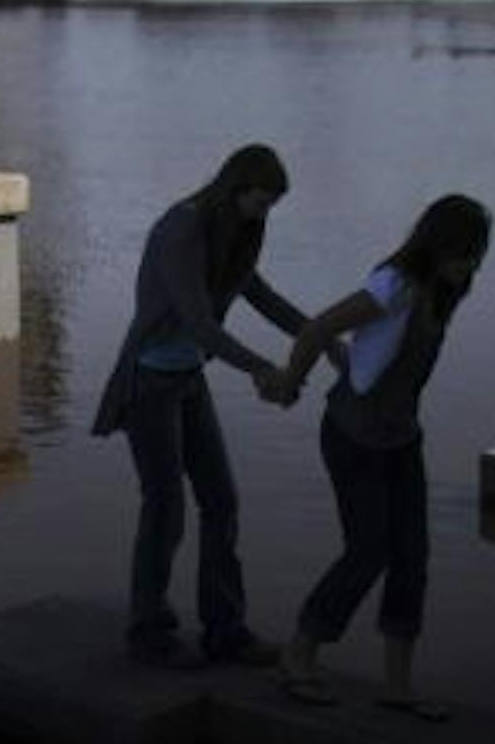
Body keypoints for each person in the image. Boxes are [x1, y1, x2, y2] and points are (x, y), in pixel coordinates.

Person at [270, 194, 492, 720]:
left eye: (477, 254)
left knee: (412, 556)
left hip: (400, 437)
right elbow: (318, 327)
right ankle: (298, 653)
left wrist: (354, 361)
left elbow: (378, 353)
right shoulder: (395, 284)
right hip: (352, 435)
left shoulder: (446, 288)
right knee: (368, 550)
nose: (471, 264)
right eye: (464, 252)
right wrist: (289, 383)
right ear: (436, 246)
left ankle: (398, 686)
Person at [91, 143, 310, 668]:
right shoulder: (182, 228)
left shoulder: (240, 230)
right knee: (165, 508)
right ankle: (149, 630)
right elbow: (199, 324)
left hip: (188, 379)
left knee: (222, 501)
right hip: (148, 383)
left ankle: (225, 630)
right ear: (234, 189)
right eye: (259, 203)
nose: (264, 215)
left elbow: (260, 295)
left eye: (271, 207)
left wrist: (323, 337)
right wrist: (262, 369)